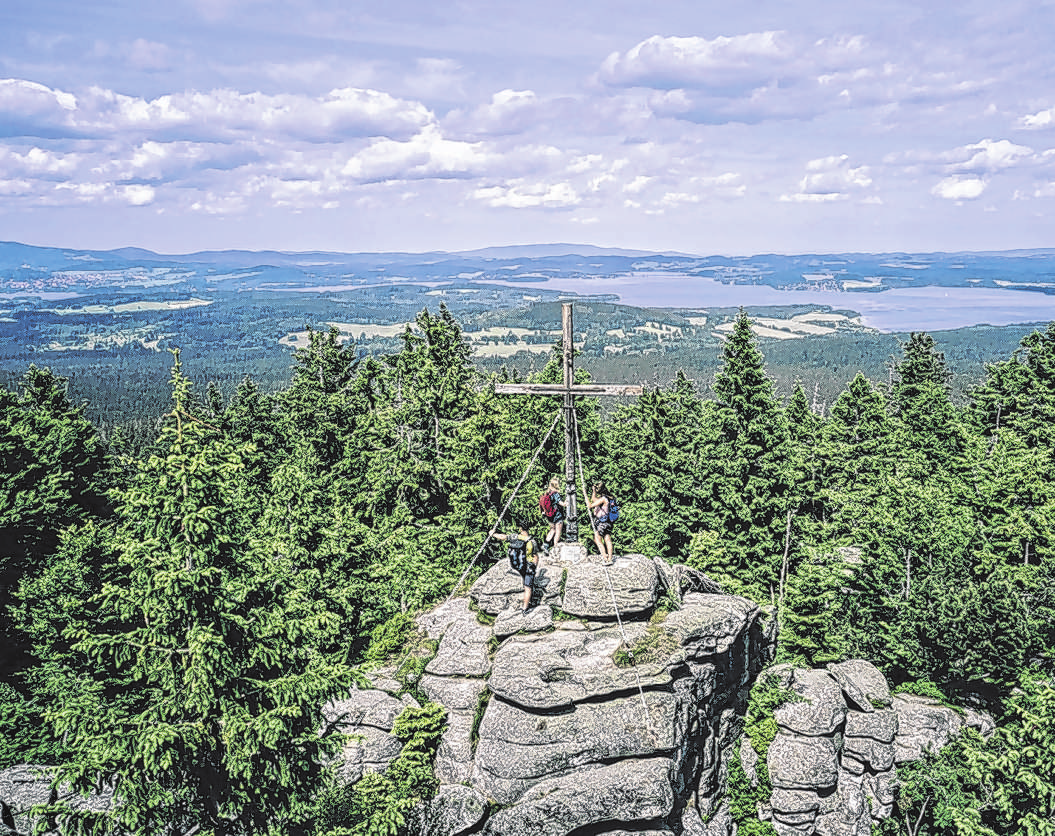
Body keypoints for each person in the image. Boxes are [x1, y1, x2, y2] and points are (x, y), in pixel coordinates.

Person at [493, 521, 541, 611]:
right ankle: (525, 608)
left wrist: (493, 534)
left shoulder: (515, 537)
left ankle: (528, 601)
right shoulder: (532, 541)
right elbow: (535, 556)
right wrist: (534, 566)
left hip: (519, 566)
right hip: (529, 566)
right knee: (528, 588)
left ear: (520, 528)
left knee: (525, 582)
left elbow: (503, 537)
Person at [588, 481, 615, 565]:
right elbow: (594, 500)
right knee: (607, 538)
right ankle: (610, 558)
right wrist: (594, 492)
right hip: (608, 522)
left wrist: (585, 496)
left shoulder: (603, 499)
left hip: (602, 522)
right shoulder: (609, 498)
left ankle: (605, 557)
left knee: (597, 538)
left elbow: (590, 505)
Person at [539, 476, 565, 554]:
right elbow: (561, 503)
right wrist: (565, 503)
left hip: (549, 516)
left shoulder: (547, 493)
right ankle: (555, 549)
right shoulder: (555, 494)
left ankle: (545, 544)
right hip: (557, 515)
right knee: (558, 532)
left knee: (552, 530)